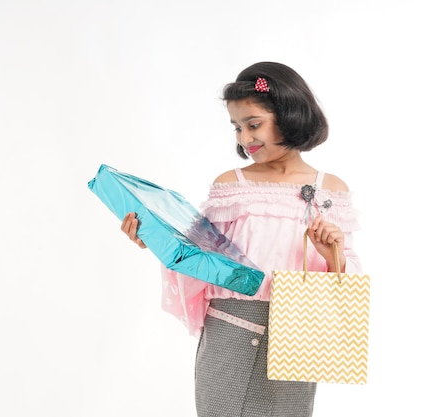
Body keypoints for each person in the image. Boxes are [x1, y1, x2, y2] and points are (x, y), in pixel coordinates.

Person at [120, 61, 362, 417]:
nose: (245, 138)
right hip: (230, 331)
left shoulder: (331, 189)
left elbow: (349, 281)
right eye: (237, 128)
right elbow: (200, 256)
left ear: (289, 115)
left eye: (254, 124)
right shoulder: (231, 185)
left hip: (299, 333)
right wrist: (152, 238)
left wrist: (332, 253)